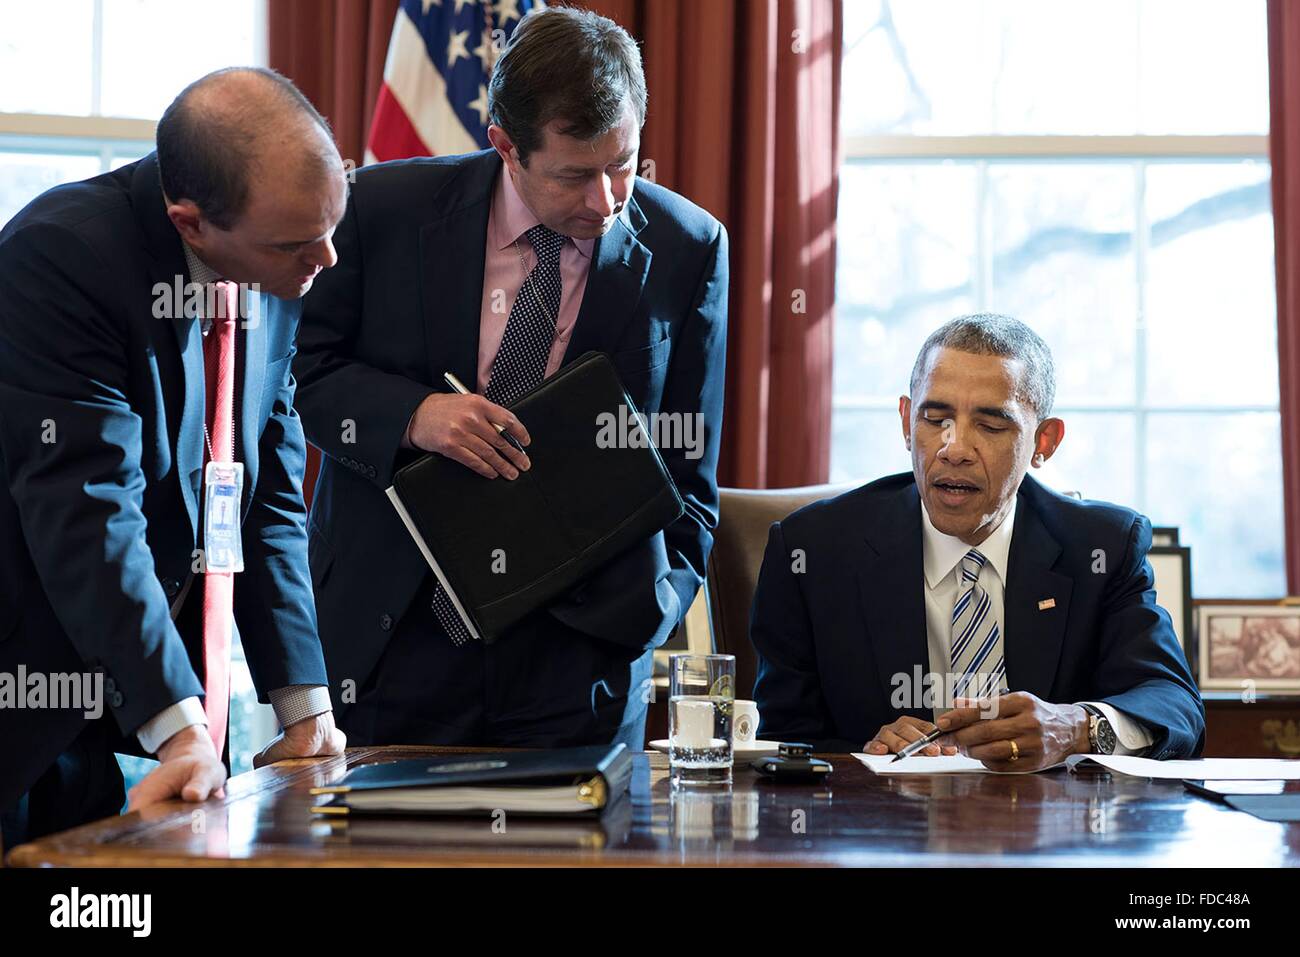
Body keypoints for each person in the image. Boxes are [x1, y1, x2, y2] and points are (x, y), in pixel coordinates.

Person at [294, 6, 727, 751]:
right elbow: (310, 379)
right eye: (574, 174)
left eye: (621, 163)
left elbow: (690, 473)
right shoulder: (380, 210)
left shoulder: (691, 248)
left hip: (579, 655)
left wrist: (651, 606)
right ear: (505, 146)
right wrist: (415, 414)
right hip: (395, 633)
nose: (607, 201)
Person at [0, 67, 348, 846]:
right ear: (191, 224)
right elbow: (90, 510)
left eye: (334, 224)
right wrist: (178, 725)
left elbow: (267, 496)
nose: (325, 259)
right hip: (35, 703)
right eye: (298, 242)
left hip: (175, 704)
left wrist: (304, 705)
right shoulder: (61, 257)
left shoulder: (284, 253)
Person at [751, 314, 1204, 769]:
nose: (955, 448)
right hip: (886, 830)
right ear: (908, 422)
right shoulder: (814, 551)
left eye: (990, 426)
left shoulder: (1101, 548)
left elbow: (1175, 709)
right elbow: (783, 739)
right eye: (935, 418)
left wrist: (1076, 728)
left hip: (1052, 828)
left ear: (1044, 441)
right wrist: (860, 754)